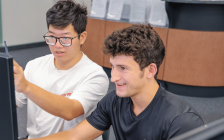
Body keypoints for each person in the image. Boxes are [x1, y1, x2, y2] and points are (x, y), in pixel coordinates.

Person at [30, 24, 204, 140]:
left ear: (151, 70)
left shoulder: (182, 121)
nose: (113, 77)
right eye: (113, 67)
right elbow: (73, 135)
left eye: (123, 68)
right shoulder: (114, 101)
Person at [13, 0, 109, 139]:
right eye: (52, 37)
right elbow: (13, 103)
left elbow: (71, 111)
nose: (57, 45)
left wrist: (27, 87)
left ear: (82, 37)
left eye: (65, 38)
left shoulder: (95, 75)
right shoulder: (34, 65)